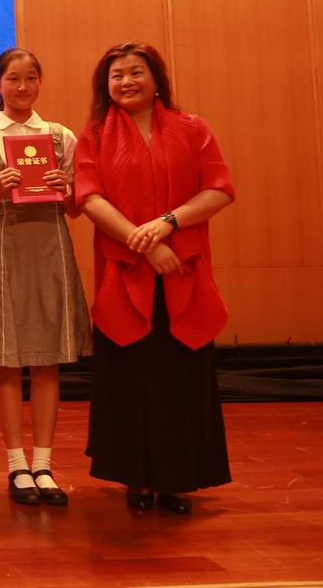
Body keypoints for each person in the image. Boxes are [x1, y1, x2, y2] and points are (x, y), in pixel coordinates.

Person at [75, 42, 234, 515]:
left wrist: (167, 224)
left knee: (180, 375)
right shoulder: (94, 135)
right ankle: (136, 478)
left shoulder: (192, 128)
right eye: (116, 75)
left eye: (136, 72)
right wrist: (145, 243)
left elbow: (219, 189)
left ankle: (178, 479)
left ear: (156, 79)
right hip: (125, 271)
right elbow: (89, 199)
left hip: (182, 268)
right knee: (129, 376)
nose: (126, 81)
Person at [0, 48, 91, 506]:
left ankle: (44, 464)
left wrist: (65, 189)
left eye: (31, 78)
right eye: (13, 79)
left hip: (51, 251)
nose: (23, 87)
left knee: (49, 360)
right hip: (3, 251)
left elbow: (76, 208)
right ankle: (17, 465)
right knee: (7, 362)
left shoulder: (60, 136)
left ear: (39, 83)